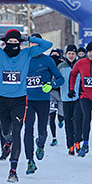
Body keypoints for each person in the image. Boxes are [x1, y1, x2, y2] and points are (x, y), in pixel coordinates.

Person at [0, 29, 52, 183]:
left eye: (16, 42)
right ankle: (7, 141)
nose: (13, 45)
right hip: (2, 99)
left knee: (18, 131)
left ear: (20, 43)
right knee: (6, 130)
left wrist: (28, 38)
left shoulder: (26, 53)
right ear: (5, 43)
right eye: (10, 42)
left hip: (19, 99)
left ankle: (13, 170)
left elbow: (48, 44)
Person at [23, 34, 64, 175]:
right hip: (27, 100)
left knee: (42, 131)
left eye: (36, 44)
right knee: (28, 129)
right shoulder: (23, 59)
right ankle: (30, 161)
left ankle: (40, 144)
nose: (34, 47)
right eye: (31, 44)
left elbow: (60, 79)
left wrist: (51, 84)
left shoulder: (48, 61)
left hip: (43, 100)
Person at [58, 44, 83, 155]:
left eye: (73, 53)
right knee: (68, 121)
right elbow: (56, 79)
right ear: (65, 54)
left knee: (77, 120)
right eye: (69, 54)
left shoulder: (80, 65)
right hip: (65, 97)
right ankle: (70, 145)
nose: (71, 56)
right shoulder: (61, 66)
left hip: (78, 97)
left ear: (76, 54)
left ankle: (77, 141)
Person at [48, 48, 65, 146]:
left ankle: (61, 119)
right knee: (52, 115)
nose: (54, 57)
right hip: (52, 93)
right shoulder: (48, 65)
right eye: (53, 55)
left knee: (61, 114)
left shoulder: (63, 65)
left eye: (56, 55)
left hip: (62, 93)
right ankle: (54, 137)